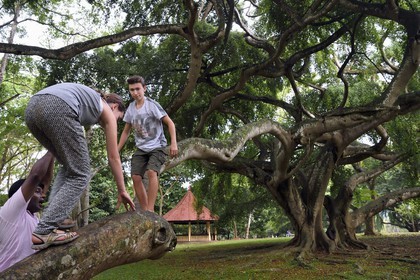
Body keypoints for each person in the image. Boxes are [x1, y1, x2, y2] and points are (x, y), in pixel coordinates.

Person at [24, 83, 135, 250]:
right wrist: (122, 190)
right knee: (82, 173)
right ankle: (44, 229)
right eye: (119, 118)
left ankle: (54, 221)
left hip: (32, 109)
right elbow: (113, 156)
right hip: (59, 106)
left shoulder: (88, 100)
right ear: (114, 107)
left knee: (69, 167)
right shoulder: (106, 110)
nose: (116, 122)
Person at [118, 76, 178, 212]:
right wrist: (116, 149)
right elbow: (126, 131)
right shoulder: (131, 108)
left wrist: (173, 144)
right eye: (132, 90)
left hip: (157, 146)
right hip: (141, 148)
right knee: (135, 177)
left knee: (151, 172)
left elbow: (170, 123)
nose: (135, 93)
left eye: (138, 89)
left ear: (144, 89)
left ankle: (150, 210)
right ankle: (145, 210)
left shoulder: (152, 105)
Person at [0, 152, 54, 272]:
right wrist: (52, 147)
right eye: (38, 191)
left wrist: (54, 150)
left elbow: (46, 181)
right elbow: (35, 176)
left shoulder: (33, 216)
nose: (44, 195)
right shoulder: (10, 213)